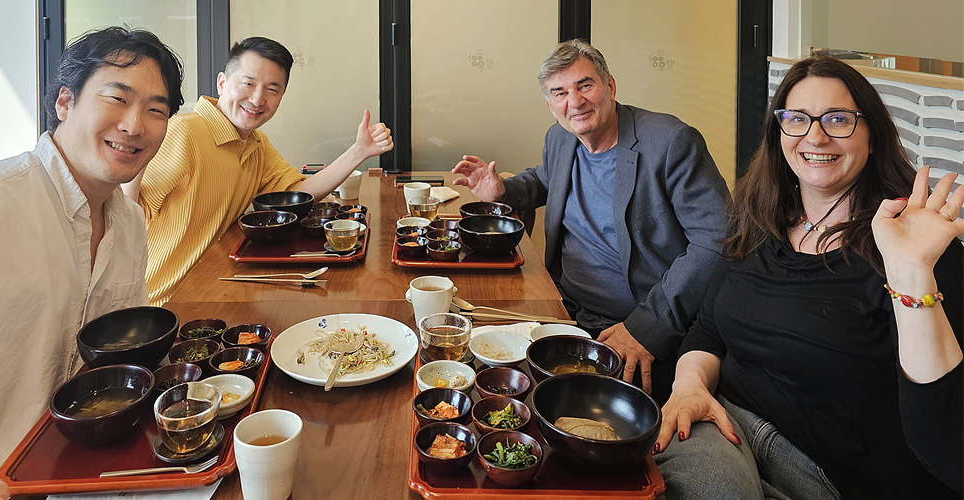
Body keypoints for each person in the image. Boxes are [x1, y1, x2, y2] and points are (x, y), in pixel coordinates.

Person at [653, 56, 963, 500]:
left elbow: (948, 448)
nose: (815, 136)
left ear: (872, 135)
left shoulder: (916, 251)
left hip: (827, 474)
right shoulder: (760, 221)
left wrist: (912, 273)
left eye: (838, 119)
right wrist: (688, 387)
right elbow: (708, 330)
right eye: (797, 119)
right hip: (722, 423)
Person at [0, 27, 183, 496]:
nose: (133, 125)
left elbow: (128, 357)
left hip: (88, 475)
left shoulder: (129, 226)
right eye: (116, 98)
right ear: (65, 102)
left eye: (156, 110)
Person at [452, 40, 729, 400]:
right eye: (560, 92)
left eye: (585, 85)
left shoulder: (670, 142)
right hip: (562, 311)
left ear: (610, 86)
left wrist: (648, 327)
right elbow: (543, 179)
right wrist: (502, 190)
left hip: (638, 324)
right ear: (550, 106)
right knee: (472, 372)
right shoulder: (560, 138)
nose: (576, 101)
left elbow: (718, 238)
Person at [123, 36, 393, 306]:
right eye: (248, 83)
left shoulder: (256, 144)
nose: (257, 98)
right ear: (222, 83)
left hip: (214, 289)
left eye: (272, 89)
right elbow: (127, 213)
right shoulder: (184, 132)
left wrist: (359, 152)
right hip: (162, 302)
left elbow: (297, 194)